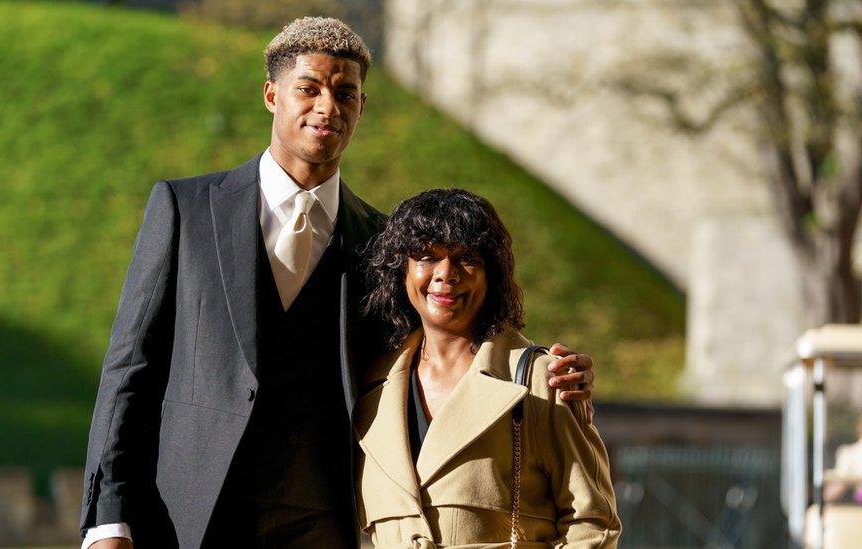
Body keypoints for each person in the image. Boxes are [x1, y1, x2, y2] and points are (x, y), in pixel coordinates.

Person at [81, 18, 597, 549]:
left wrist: (542, 371)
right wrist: (108, 520)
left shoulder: (382, 241)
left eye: (344, 93)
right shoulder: (186, 209)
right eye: (308, 89)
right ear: (271, 95)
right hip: (187, 515)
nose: (327, 107)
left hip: (322, 520)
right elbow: (130, 369)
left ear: (361, 107)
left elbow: (446, 331)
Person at [355, 189, 620, 548]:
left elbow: (593, 522)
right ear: (401, 271)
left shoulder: (542, 380)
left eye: (466, 259)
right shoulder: (370, 386)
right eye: (426, 256)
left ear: (490, 275)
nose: (445, 275)